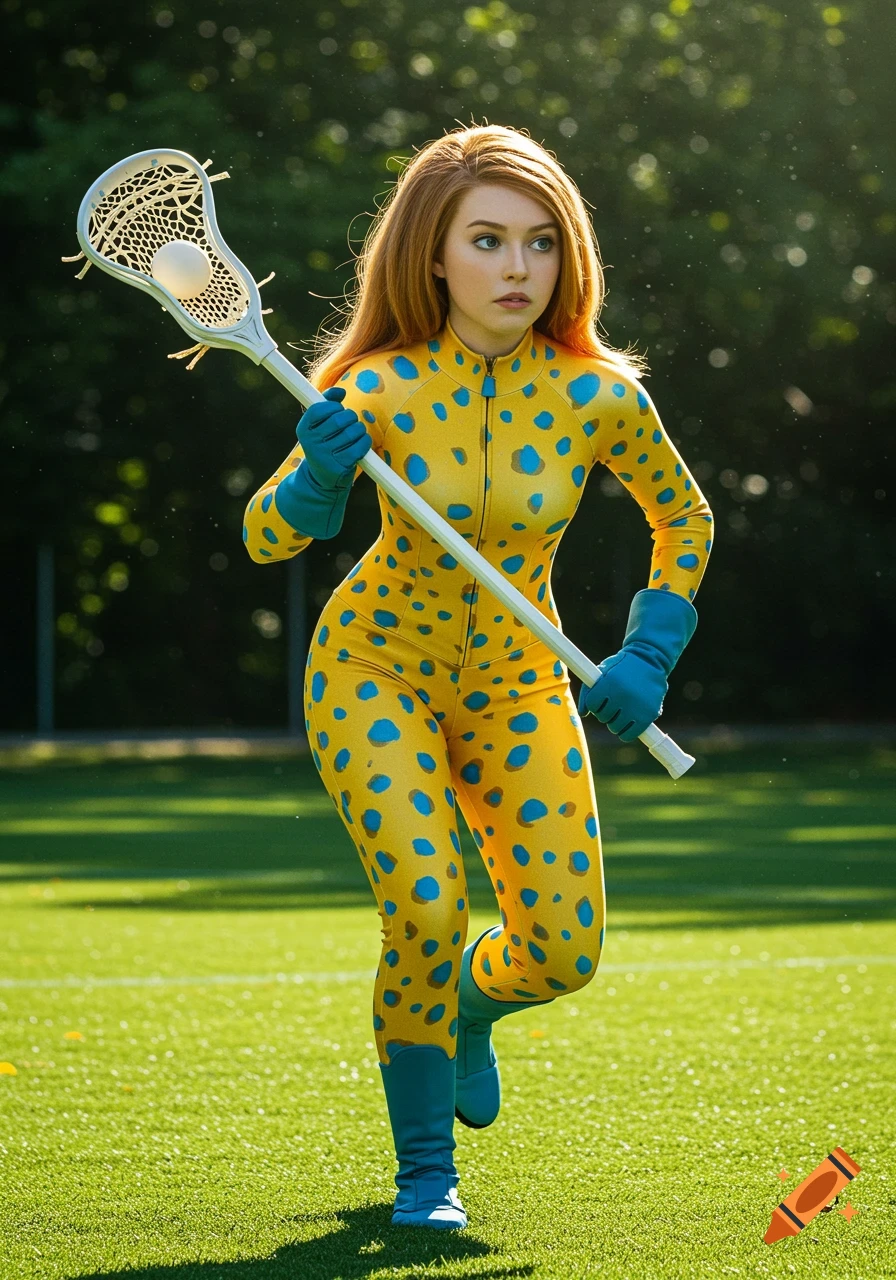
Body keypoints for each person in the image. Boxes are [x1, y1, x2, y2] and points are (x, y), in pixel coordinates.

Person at [243, 123, 713, 1230]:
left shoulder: (599, 395)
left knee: (564, 951)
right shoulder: (373, 387)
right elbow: (267, 536)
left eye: (541, 241)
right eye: (488, 240)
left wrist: (649, 650)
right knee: (425, 905)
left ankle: (459, 1012)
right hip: (371, 672)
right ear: (433, 255)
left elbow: (684, 517)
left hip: (518, 685)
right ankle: (426, 1176)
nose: (517, 267)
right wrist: (318, 479)